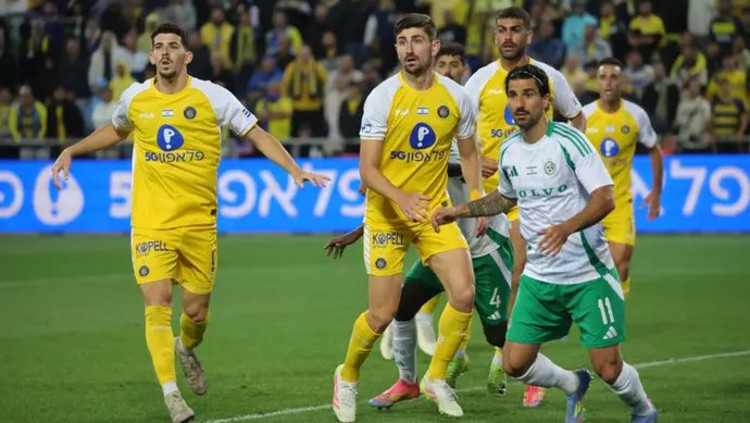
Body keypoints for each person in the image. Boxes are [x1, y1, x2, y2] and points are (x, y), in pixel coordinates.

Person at [50, 23, 328, 423]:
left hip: (198, 225)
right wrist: (72, 150)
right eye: (159, 47)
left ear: (187, 55)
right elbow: (116, 129)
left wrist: (294, 169)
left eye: (173, 46)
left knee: (196, 313)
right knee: (157, 301)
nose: (165, 52)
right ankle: (172, 394)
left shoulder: (213, 96)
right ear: (151, 56)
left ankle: (186, 347)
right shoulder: (136, 97)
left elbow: (257, 134)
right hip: (151, 223)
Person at [432, 64, 659, 423]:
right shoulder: (510, 150)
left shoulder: (569, 141)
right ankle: (573, 383)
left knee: (609, 368)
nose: (519, 103)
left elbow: (605, 198)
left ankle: (643, 410)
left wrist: (566, 228)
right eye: (513, 95)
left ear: (545, 101)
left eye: (528, 94)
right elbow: (505, 198)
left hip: (587, 274)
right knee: (514, 363)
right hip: (540, 278)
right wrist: (459, 210)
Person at [325, 43, 512, 410]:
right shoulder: (390, 102)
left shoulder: (460, 105)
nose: (449, 69)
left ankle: (452, 375)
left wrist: (476, 195)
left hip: (458, 227)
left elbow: (468, 159)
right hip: (412, 221)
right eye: (403, 41)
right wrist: (375, 218)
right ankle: (377, 378)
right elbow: (382, 171)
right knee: (390, 312)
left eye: (455, 64)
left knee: (479, 313)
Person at [463, 6, 586, 408]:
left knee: (520, 274)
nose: (508, 36)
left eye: (516, 29)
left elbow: (577, 118)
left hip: (527, 197)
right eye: (502, 30)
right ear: (494, 35)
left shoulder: (549, 76)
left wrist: (562, 157)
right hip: (485, 197)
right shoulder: (479, 81)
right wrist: (474, 161)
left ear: (529, 35)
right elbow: (461, 132)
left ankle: (519, 362)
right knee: (460, 278)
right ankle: (456, 354)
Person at [582, 58, 663, 296]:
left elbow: (655, 150)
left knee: (621, 262)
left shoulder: (636, 115)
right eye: (603, 77)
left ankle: (616, 303)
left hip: (619, 204)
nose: (608, 82)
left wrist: (656, 193)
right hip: (588, 204)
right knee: (582, 269)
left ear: (622, 82)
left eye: (614, 77)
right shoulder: (584, 116)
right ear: (596, 82)